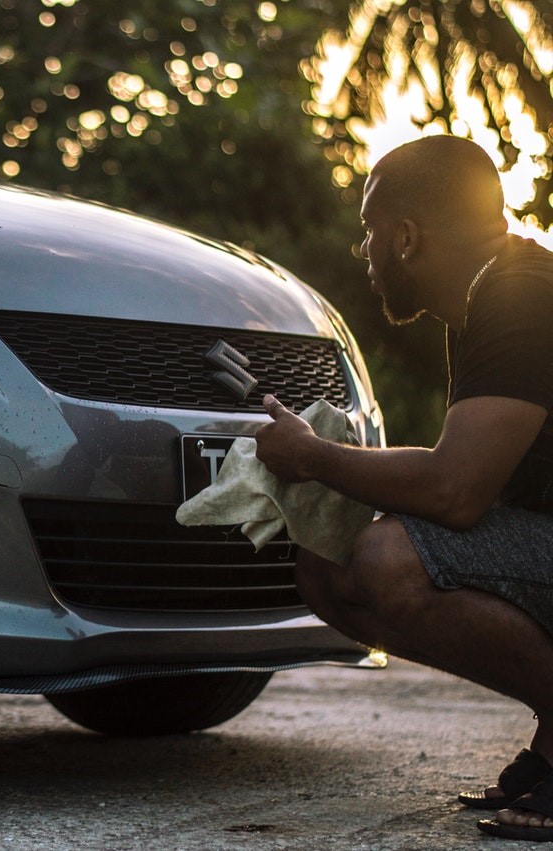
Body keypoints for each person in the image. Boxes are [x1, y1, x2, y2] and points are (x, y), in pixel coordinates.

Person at [254, 134, 553, 842]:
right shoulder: (493, 294)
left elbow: (457, 490)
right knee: (328, 568)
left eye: (369, 231)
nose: (365, 252)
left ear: (408, 237)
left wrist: (316, 456)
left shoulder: (518, 296)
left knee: (390, 558)